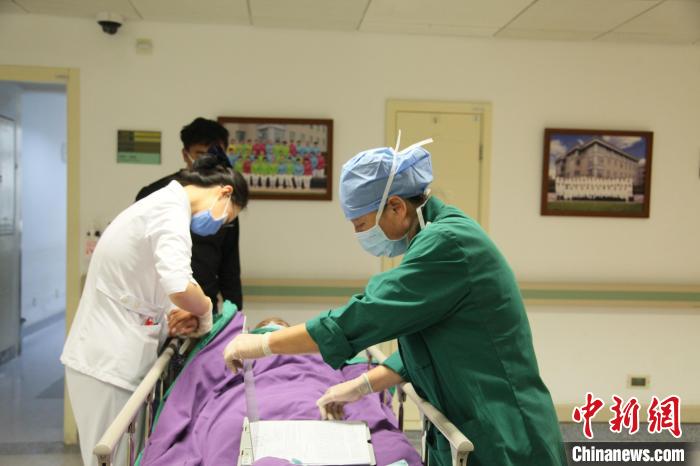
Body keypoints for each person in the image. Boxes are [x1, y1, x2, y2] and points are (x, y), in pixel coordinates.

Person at [222, 139, 567, 466]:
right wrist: (361, 385)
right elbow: (427, 345)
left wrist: (262, 343)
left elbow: (364, 315)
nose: (359, 234)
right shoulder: (434, 237)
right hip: (474, 419)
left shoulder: (447, 243)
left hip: (506, 431)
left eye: (361, 224)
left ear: (397, 207)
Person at [62, 155, 249, 466]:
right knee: (111, 458)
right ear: (224, 192)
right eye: (226, 219)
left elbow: (150, 283)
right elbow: (179, 285)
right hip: (106, 363)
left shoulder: (165, 206)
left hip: (119, 355)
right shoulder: (169, 209)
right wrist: (204, 309)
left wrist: (173, 315)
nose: (218, 226)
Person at [136, 117, 244, 313]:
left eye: (213, 153)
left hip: (205, 299)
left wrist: (235, 317)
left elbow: (230, 267)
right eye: (200, 154)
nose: (207, 160)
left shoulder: (224, 202)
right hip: (161, 302)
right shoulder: (158, 194)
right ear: (185, 154)